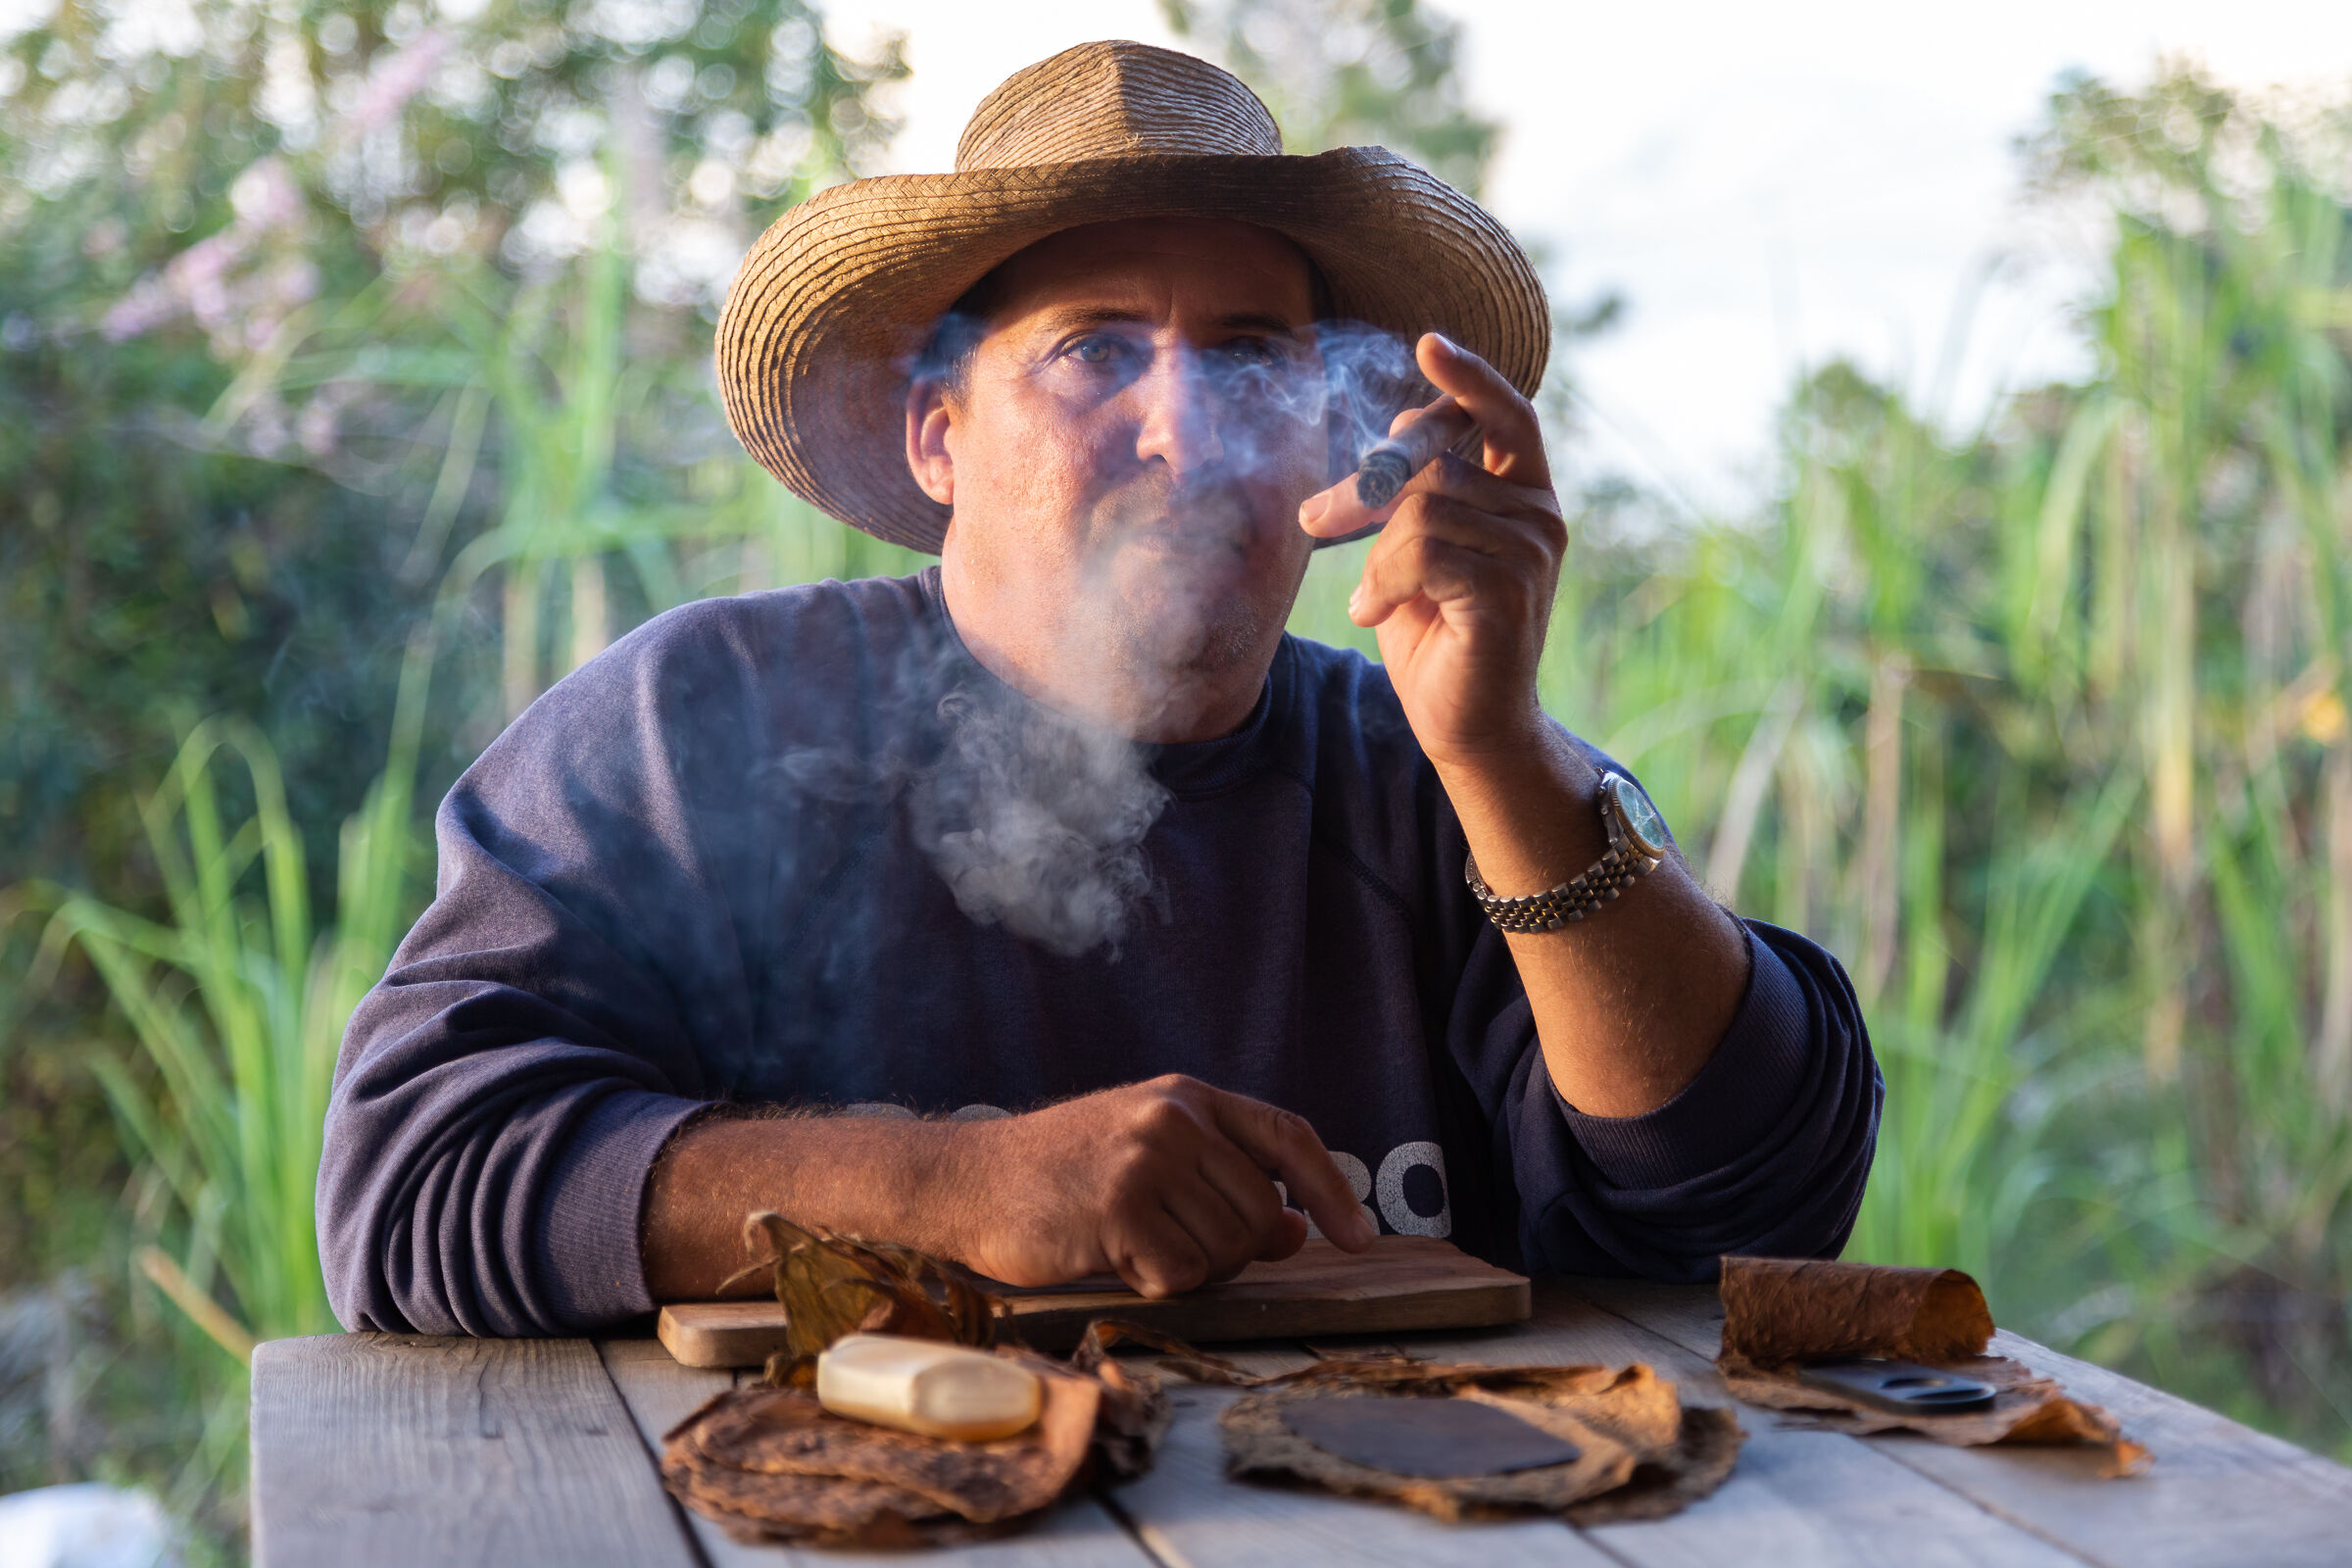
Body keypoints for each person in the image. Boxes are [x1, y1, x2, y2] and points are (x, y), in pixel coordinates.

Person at [319, 41, 1879, 1337]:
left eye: (1253, 356)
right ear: (940, 435)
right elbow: (407, 1178)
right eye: (1093, 352)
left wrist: (1504, 757)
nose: (1182, 433)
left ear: (1345, 446)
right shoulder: (703, 721)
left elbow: (1752, 1208)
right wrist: (955, 1188)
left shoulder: (1439, 780)